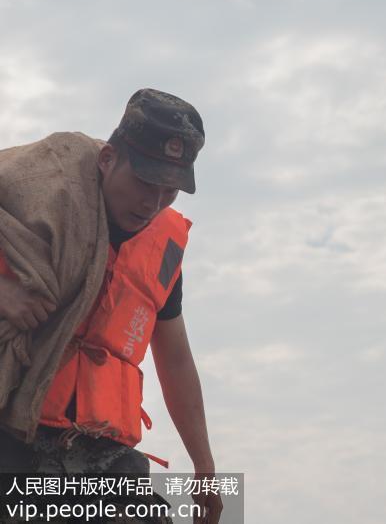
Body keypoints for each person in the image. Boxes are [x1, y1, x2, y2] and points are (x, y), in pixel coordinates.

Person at [0, 89, 222, 524]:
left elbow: (175, 361)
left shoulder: (163, 247)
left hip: (100, 454)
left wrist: (205, 467)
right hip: (12, 438)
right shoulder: (35, 197)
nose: (153, 203)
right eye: (144, 182)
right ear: (107, 160)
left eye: (169, 190)